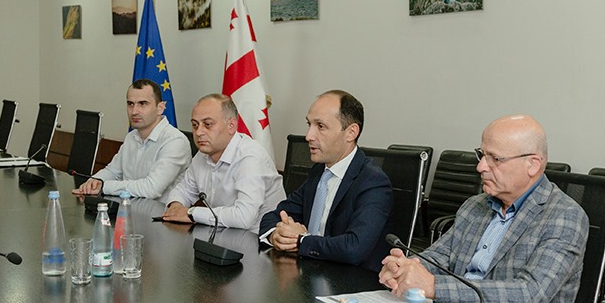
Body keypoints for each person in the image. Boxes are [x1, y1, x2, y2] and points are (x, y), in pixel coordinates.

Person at [378, 115, 588, 303]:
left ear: (532, 164)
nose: (481, 167)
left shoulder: (564, 217)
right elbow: (439, 258)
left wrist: (434, 286)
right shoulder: (475, 206)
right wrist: (405, 269)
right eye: (481, 155)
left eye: (495, 159)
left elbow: (529, 296)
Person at [259, 90, 392, 271]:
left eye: (320, 126)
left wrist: (301, 240)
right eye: (309, 124)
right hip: (308, 272)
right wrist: (276, 235)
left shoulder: (373, 182)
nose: (308, 136)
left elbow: (354, 248)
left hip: (350, 281)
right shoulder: (319, 172)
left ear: (351, 132)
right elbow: (273, 216)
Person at [163, 94, 285, 230]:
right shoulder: (203, 154)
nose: (198, 132)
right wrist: (176, 206)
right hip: (221, 233)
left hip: (258, 238)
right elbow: (183, 191)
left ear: (231, 125)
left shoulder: (250, 156)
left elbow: (244, 218)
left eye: (207, 124)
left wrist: (191, 213)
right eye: (195, 125)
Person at [73, 78, 191, 200]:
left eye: (143, 104)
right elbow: (113, 171)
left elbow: (151, 189)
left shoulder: (175, 141)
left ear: (160, 108)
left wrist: (103, 186)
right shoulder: (131, 136)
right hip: (128, 207)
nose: (134, 111)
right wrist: (94, 181)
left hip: (160, 211)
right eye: (130, 104)